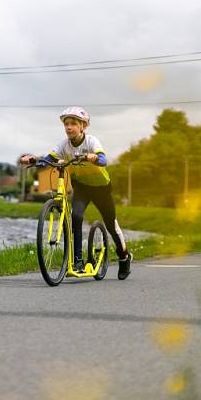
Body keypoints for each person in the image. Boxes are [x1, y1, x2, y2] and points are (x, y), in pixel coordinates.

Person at [20, 106, 133, 280]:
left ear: (83, 126)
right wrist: (33, 159)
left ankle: (124, 256)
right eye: (66, 124)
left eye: (73, 124)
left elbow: (103, 160)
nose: (69, 127)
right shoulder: (64, 145)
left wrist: (94, 157)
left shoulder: (91, 141)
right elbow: (49, 159)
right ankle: (77, 261)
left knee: (111, 225)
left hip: (101, 188)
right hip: (81, 188)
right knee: (76, 217)